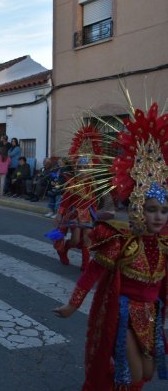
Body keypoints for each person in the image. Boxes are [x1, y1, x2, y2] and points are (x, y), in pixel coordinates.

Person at [53, 102, 168, 391]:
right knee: (135, 371)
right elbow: (93, 272)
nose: (158, 217)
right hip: (124, 312)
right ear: (140, 209)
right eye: (152, 209)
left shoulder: (166, 244)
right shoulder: (121, 241)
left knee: (149, 370)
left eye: (164, 211)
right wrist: (72, 304)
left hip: (152, 314)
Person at [54, 125, 103, 270]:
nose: (84, 172)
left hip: (88, 214)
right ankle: (64, 249)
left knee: (87, 238)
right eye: (82, 169)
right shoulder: (73, 184)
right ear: (76, 169)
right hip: (75, 214)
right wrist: (59, 214)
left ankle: (85, 265)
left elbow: (94, 199)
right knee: (75, 240)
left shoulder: (92, 183)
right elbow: (65, 200)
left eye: (87, 169)